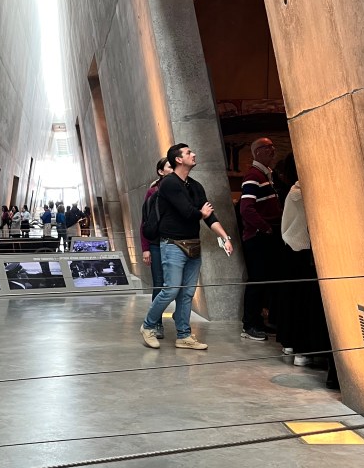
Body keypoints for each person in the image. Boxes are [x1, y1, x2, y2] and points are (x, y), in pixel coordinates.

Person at [140, 143, 233, 350]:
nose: (194, 154)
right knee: (171, 290)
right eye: (189, 152)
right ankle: (148, 325)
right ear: (178, 159)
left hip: (193, 245)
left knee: (187, 293)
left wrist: (225, 237)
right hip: (172, 244)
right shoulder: (169, 183)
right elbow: (188, 212)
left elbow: (209, 217)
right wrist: (201, 213)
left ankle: (183, 335)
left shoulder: (196, 186)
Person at [276, 168, 339, 388]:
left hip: (296, 252)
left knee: (300, 303)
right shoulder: (304, 193)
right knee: (309, 305)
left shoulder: (295, 191)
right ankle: (308, 352)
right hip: (305, 254)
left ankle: (299, 349)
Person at [239, 137, 283, 342]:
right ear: (257, 152)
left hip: (265, 236)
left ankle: (258, 320)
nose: (272, 150)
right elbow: (246, 208)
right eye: (267, 147)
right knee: (257, 281)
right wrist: (265, 227)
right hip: (258, 237)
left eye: (272, 146)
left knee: (264, 280)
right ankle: (249, 324)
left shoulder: (267, 174)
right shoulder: (253, 176)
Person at [140, 157, 173, 339]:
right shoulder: (153, 192)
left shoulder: (182, 188)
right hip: (156, 244)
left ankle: (181, 323)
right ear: (161, 171)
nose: (173, 169)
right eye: (169, 166)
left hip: (176, 243)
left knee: (178, 285)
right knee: (159, 283)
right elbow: (145, 222)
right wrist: (145, 248)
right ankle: (156, 322)